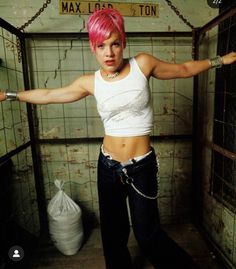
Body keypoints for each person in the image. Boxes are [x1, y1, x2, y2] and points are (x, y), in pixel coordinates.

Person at [1, 8, 236, 269]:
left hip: (142, 167)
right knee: (113, 236)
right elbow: (49, 95)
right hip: (108, 166)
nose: (109, 53)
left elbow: (182, 68)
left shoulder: (142, 64)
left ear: (123, 42)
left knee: (148, 236)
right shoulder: (91, 82)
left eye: (114, 44)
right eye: (101, 45)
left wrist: (220, 60)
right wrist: (9, 95)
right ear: (93, 47)